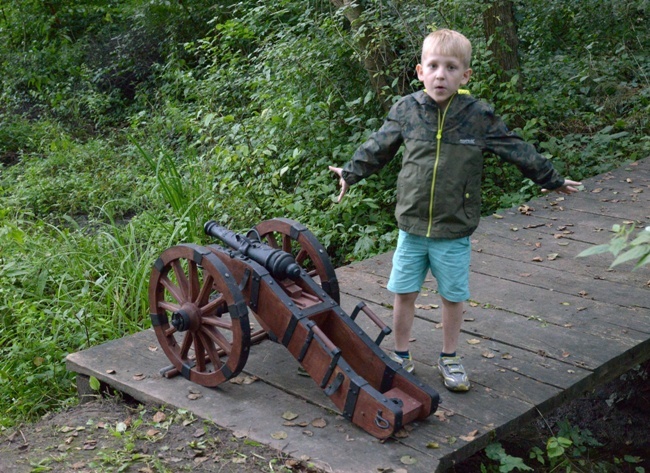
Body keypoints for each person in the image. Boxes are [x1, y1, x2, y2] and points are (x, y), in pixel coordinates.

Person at [328, 29, 581, 392]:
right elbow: (377, 146)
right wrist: (351, 172)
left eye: (450, 67)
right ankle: (400, 354)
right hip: (412, 226)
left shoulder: (477, 116)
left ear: (465, 76)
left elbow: (515, 147)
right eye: (433, 66)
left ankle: (449, 356)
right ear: (420, 71)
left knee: (452, 296)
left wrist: (551, 178)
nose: (440, 74)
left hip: (454, 229)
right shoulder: (407, 110)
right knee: (404, 293)